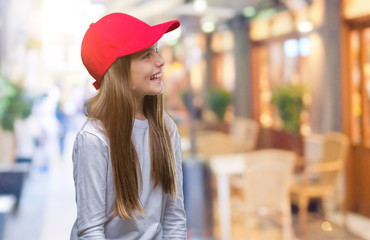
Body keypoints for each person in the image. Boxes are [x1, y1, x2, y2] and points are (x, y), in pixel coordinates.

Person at [70, 13, 187, 239]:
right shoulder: (94, 138)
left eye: (157, 51)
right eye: (146, 55)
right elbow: (91, 231)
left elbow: (174, 218)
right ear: (119, 71)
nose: (160, 61)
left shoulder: (166, 128)